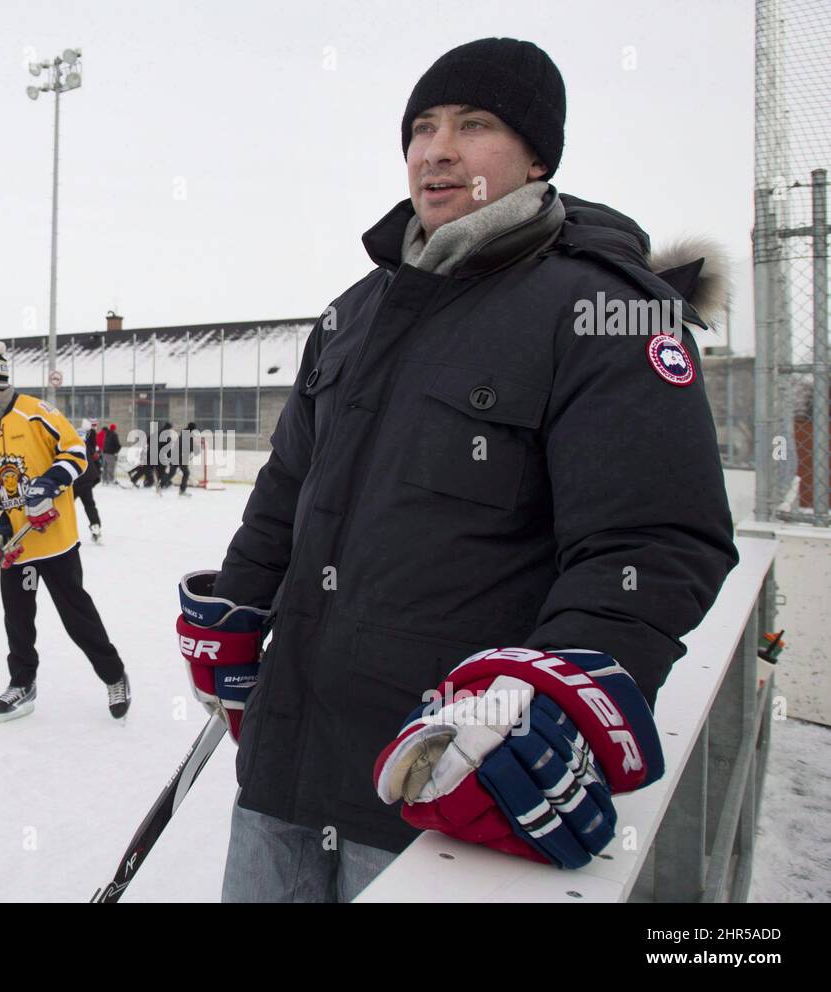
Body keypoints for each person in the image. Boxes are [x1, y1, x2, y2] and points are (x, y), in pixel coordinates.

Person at [175, 38, 738, 903]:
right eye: (422, 128)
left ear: (537, 154)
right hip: (287, 764)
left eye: (473, 125)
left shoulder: (603, 310)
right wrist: (242, 607)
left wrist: (542, 702)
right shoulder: (357, 312)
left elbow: (653, 539)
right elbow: (287, 491)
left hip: (444, 788)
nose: (436, 149)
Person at [0, 341, 130, 723]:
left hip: (54, 542)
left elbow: (75, 453)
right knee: (18, 619)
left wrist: (46, 486)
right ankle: (22, 684)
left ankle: (113, 675)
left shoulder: (36, 412)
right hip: (17, 548)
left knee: (77, 617)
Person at [74, 419, 102, 541]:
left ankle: (57, 529)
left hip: (75, 481)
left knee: (65, 506)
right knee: (90, 505)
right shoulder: (88, 447)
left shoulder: (70, 447)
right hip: (87, 481)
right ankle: (95, 526)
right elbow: (96, 462)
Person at [164, 421, 197, 496]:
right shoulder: (188, 434)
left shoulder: (184, 433)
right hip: (180, 457)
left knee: (172, 473)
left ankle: (161, 484)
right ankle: (182, 490)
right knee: (186, 473)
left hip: (176, 456)